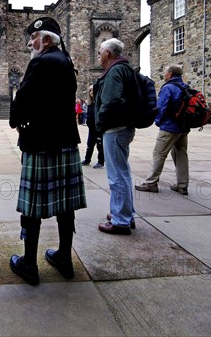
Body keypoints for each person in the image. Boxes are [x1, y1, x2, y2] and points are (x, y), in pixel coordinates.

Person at [9, 17, 87, 285]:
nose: (30, 43)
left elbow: (24, 98)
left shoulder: (40, 61)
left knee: (32, 206)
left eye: (33, 38)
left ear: (45, 39)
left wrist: (15, 121)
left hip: (40, 141)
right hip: (65, 140)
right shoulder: (66, 62)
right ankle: (64, 257)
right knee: (65, 203)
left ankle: (29, 264)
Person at [94, 38, 137, 235]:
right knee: (123, 173)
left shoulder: (115, 70)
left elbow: (110, 101)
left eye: (100, 52)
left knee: (117, 176)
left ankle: (121, 221)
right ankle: (125, 214)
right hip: (124, 126)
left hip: (114, 128)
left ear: (108, 53)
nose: (98, 55)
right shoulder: (126, 68)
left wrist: (100, 123)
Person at [135, 64, 190, 196]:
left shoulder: (168, 87)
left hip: (169, 127)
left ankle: (151, 183)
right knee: (181, 154)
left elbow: (162, 107)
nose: (164, 74)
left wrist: (158, 122)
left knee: (159, 154)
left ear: (170, 74)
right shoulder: (186, 87)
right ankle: (182, 185)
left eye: (165, 72)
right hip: (183, 127)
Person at [81, 85, 104, 169]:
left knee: (100, 146)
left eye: (93, 91)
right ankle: (87, 160)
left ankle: (100, 162)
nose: (92, 93)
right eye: (90, 91)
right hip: (91, 129)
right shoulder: (90, 104)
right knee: (89, 145)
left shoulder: (101, 103)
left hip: (99, 128)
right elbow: (89, 115)